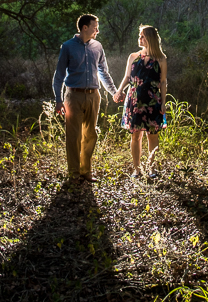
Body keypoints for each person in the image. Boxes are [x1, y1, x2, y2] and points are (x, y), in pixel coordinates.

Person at [53, 13, 116, 184]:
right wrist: (58, 100)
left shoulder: (98, 47)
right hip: (73, 95)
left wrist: (113, 92)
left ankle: (85, 171)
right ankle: (73, 173)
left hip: (94, 95)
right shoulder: (67, 47)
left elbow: (104, 72)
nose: (98, 30)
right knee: (73, 136)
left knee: (90, 134)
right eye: (95, 26)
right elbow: (58, 76)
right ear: (85, 27)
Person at [113, 24, 168, 178]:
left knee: (152, 135)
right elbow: (126, 77)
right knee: (135, 135)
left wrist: (163, 102)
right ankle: (137, 169)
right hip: (134, 100)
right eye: (140, 35)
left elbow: (163, 82)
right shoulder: (133, 56)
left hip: (153, 101)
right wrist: (119, 90)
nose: (140, 38)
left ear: (150, 38)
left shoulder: (161, 59)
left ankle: (151, 169)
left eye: (143, 36)